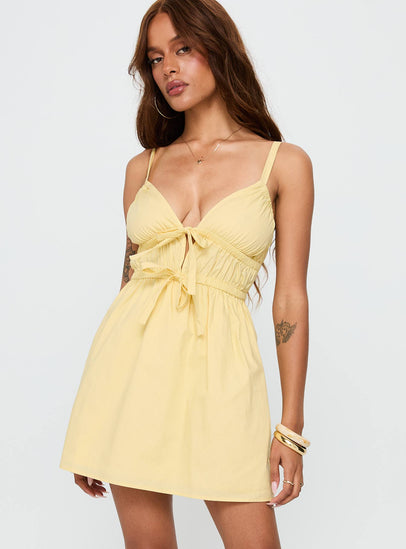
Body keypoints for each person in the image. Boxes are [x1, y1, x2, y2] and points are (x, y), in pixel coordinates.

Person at [59, 0, 314, 547]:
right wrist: (95, 424)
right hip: (129, 375)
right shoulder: (143, 168)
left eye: (183, 49)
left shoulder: (284, 163)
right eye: (155, 58)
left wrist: (290, 426)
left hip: (225, 374)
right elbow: (129, 285)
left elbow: (290, 297)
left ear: (219, 49)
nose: (168, 68)